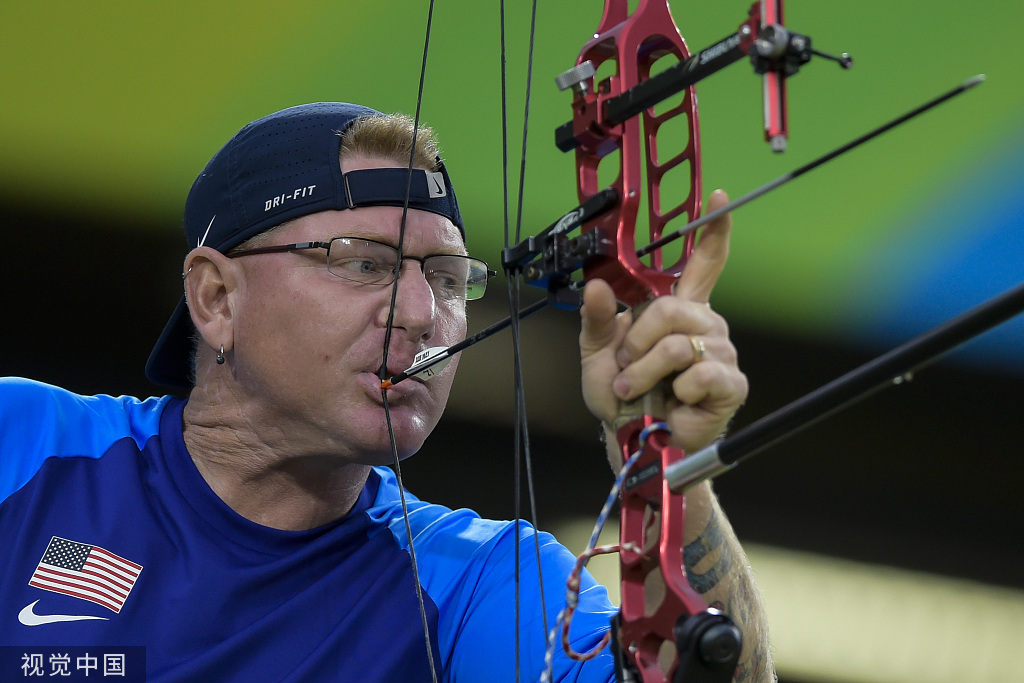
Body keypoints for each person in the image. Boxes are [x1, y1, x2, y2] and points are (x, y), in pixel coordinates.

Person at [0, 102, 773, 682]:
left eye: (448, 279)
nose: (421, 313)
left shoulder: (478, 580)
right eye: (362, 262)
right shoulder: (23, 440)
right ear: (216, 298)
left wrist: (669, 466)